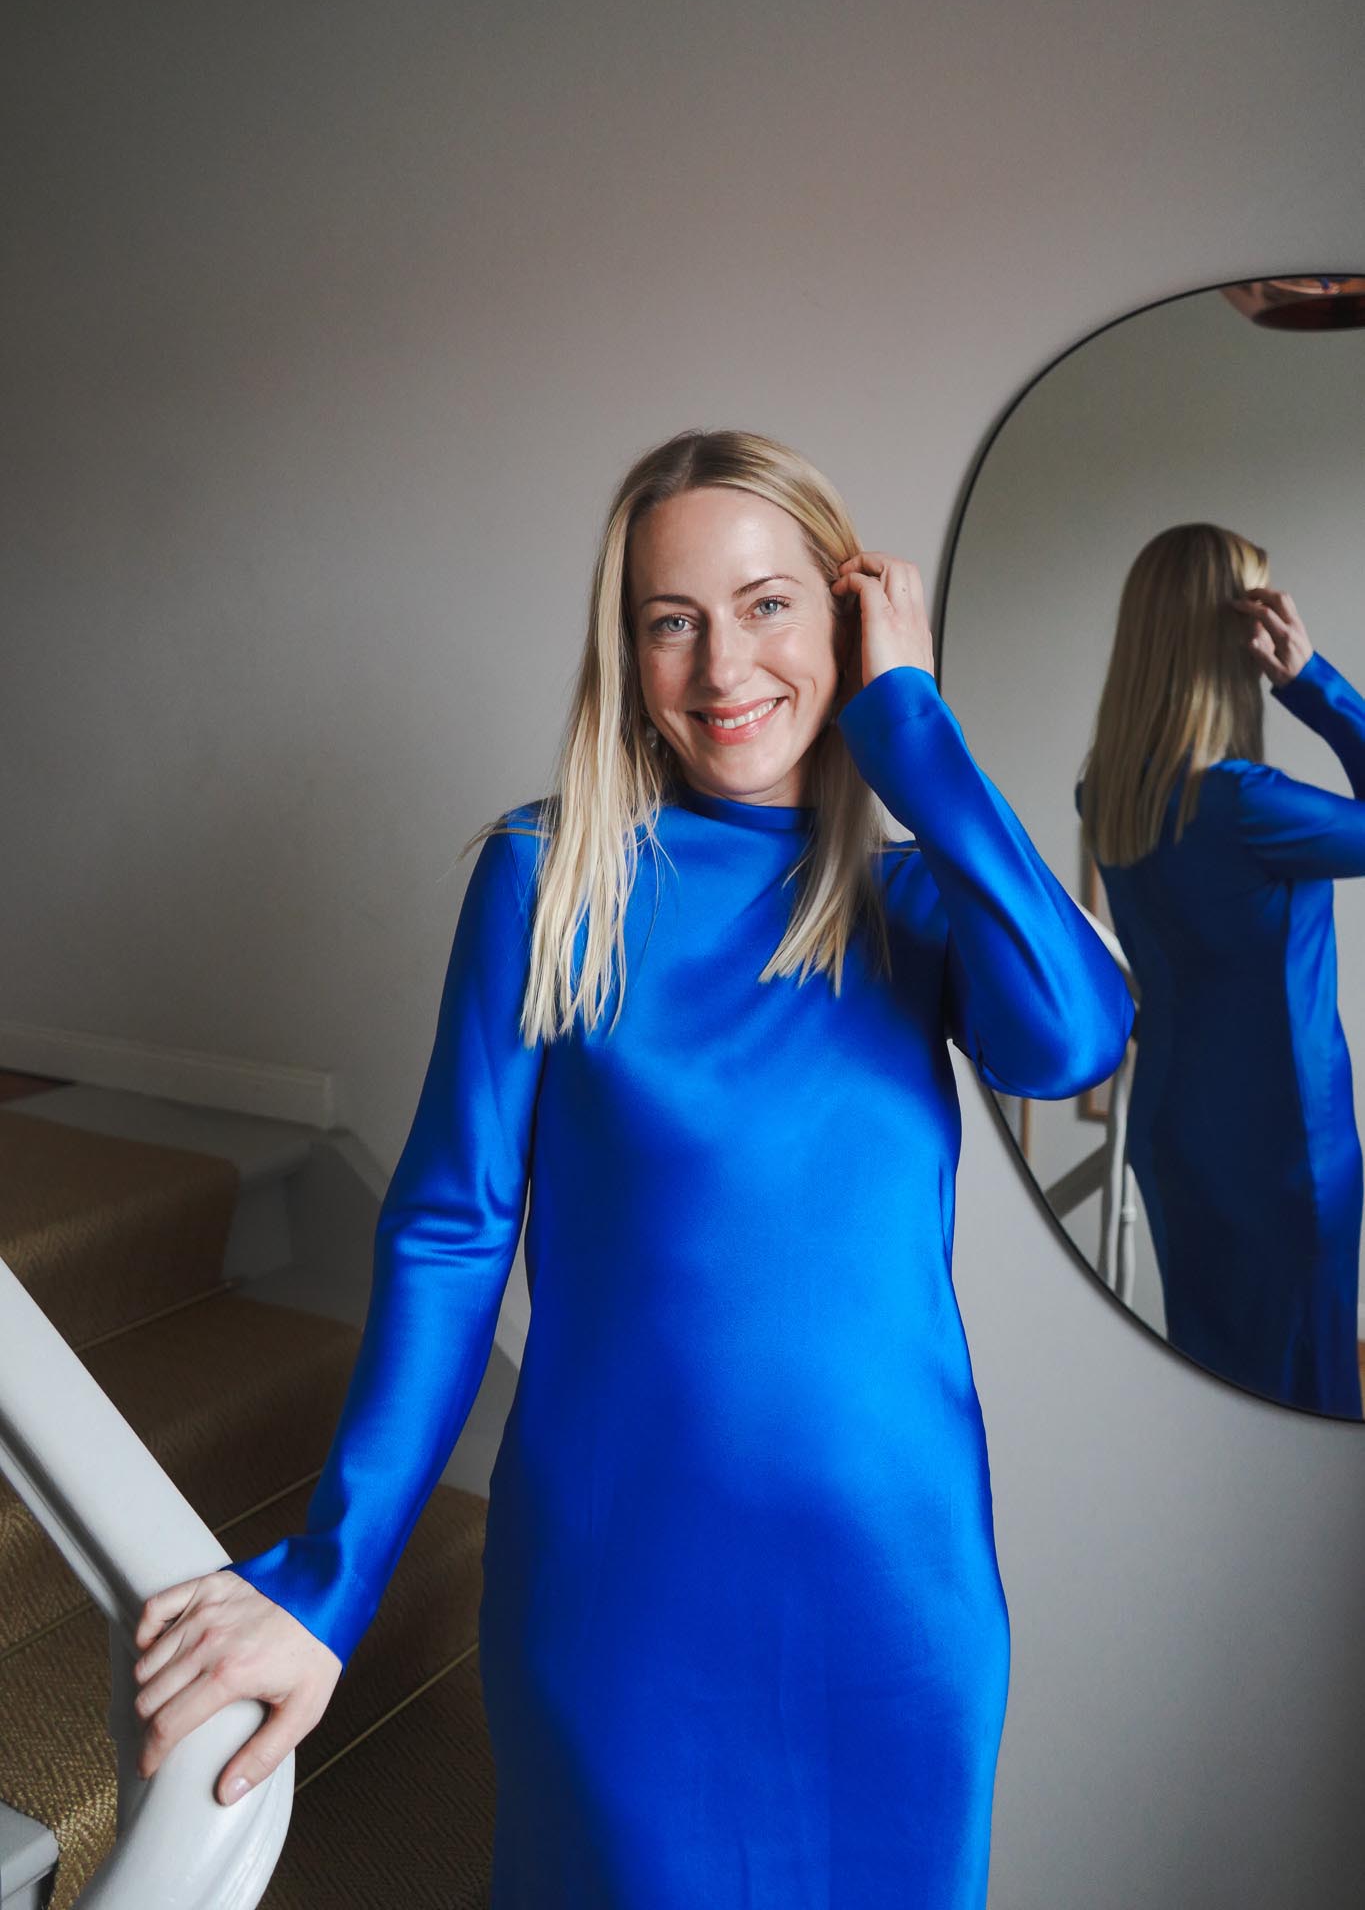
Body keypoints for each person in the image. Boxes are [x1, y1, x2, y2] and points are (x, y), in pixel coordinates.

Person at [132, 429, 1134, 1907]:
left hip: (895, 1599)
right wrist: (333, 1580)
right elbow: (451, 1233)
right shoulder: (548, 875)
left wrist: (914, 728)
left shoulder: (917, 899)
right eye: (673, 620)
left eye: (767, 605)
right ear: (629, 650)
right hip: (623, 1595)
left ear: (847, 617)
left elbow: (1075, 1038)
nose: (724, 666)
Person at [1076, 522, 1365, 1420]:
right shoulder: (1245, 804)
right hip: (1286, 1150)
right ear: (1234, 637)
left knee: (1217, 1396)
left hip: (1175, 1137)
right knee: (1303, 1404)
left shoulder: (1106, 792)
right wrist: (1313, 683)